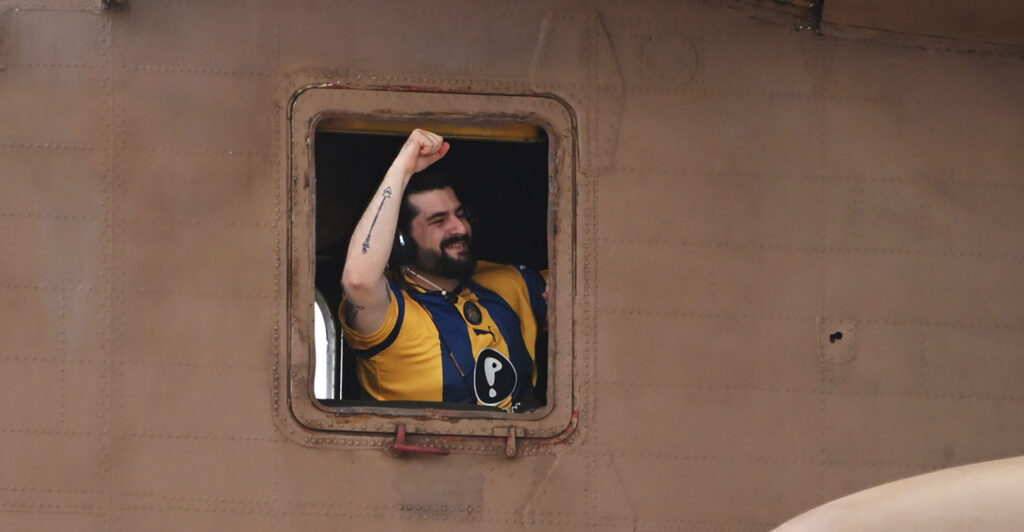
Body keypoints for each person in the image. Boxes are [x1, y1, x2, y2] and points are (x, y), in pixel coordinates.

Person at [340, 129, 547, 412]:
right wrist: (403, 169)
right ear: (402, 241)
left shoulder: (510, 283)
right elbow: (358, 281)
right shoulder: (391, 311)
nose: (460, 229)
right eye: (439, 221)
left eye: (460, 215)